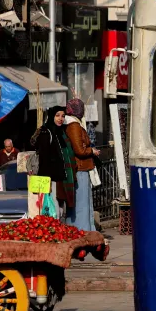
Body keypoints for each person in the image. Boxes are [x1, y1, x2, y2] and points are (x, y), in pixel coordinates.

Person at [31, 106, 76, 219]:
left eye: (63, 116)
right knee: (53, 206)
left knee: (59, 207)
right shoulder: (46, 132)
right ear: (52, 116)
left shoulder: (60, 132)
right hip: (51, 177)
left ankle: (58, 226)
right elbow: (44, 157)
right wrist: (46, 181)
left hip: (61, 176)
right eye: (57, 116)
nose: (60, 118)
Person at [64, 98, 98, 231]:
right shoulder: (74, 125)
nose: (83, 110)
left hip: (81, 167)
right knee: (82, 202)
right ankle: (82, 230)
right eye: (81, 108)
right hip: (80, 167)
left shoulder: (73, 123)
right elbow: (79, 149)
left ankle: (84, 229)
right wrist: (91, 151)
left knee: (82, 202)